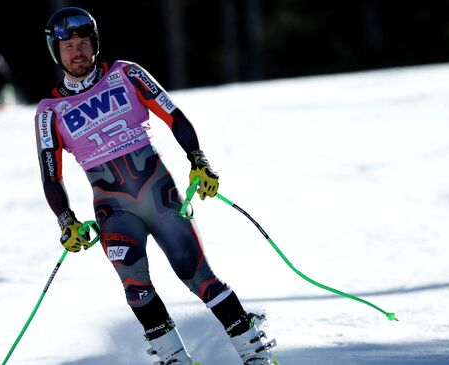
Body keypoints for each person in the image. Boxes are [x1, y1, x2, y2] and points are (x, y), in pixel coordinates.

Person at [34, 7, 277, 365]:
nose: (78, 51)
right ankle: (175, 359)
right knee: (136, 288)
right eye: (68, 45)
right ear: (57, 51)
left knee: (197, 276)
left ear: (94, 44)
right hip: (114, 211)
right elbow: (50, 176)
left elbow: (174, 116)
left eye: (83, 43)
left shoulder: (126, 74)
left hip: (158, 194)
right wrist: (65, 220)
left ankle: (254, 354)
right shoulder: (49, 112)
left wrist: (199, 161)